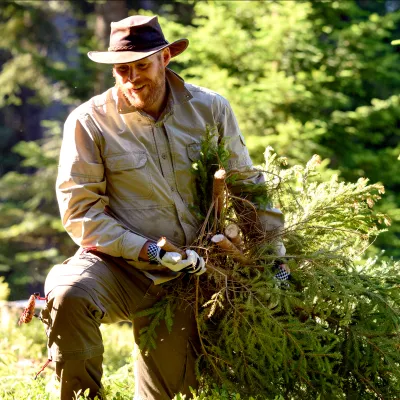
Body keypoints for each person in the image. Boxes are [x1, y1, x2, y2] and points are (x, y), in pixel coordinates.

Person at [40, 15, 288, 400]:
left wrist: (275, 260)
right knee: (67, 293)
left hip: (187, 275)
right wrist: (149, 249)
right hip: (117, 265)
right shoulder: (88, 122)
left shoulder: (210, 109)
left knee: (168, 394)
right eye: (123, 69)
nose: (133, 78)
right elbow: (80, 213)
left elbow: (247, 186)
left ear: (166, 58)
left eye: (142, 65)